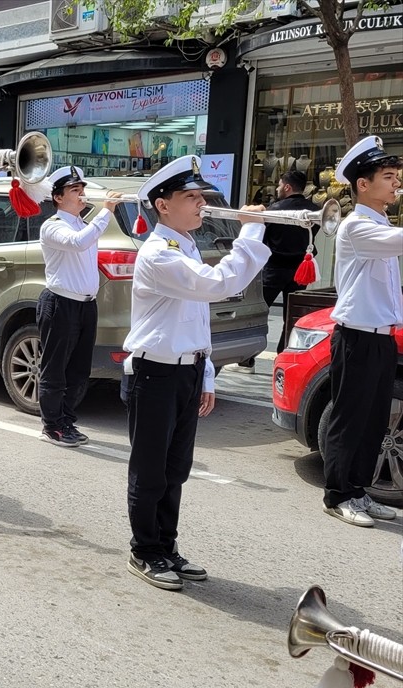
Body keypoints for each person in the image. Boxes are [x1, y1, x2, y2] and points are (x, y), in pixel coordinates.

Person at [123, 155, 271, 591]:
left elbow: (198, 317)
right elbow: (217, 285)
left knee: (175, 469)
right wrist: (251, 229)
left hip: (185, 372)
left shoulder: (185, 246)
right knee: (149, 472)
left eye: (201, 197)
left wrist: (205, 375)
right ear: (163, 205)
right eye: (190, 197)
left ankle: (166, 545)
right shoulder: (158, 254)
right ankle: (145, 550)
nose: (200, 205)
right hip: (155, 373)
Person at [321, 135, 401, 527]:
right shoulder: (357, 226)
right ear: (363, 184)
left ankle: (358, 490)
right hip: (357, 336)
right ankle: (337, 495)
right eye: (388, 176)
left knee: (373, 421)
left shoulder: (381, 222)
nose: (396, 183)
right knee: (349, 418)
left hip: (381, 337)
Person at [37, 166, 118, 447]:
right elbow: (78, 244)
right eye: (74, 190)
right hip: (61, 303)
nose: (82, 194)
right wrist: (106, 211)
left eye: (81, 189)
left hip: (86, 305)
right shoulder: (53, 226)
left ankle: (67, 420)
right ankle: (52, 425)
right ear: (58, 198)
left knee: (80, 369)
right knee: (55, 368)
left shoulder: (83, 224)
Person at [243, 169, 317, 363]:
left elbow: (261, 236)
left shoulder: (274, 209)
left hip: (274, 268)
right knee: (291, 316)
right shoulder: (314, 210)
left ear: (287, 186)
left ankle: (247, 356)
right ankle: (283, 356)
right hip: (300, 269)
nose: (277, 188)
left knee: (257, 312)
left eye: (279, 184)